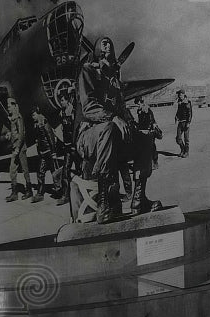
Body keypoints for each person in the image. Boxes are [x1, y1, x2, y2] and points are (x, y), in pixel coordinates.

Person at [75, 36, 159, 224]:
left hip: (112, 136)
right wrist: (113, 118)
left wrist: (134, 128)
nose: (108, 43)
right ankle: (104, 205)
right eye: (103, 42)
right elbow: (88, 107)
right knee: (109, 128)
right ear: (96, 50)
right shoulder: (88, 70)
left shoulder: (114, 78)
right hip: (89, 136)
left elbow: (122, 109)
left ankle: (139, 201)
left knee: (145, 140)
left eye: (110, 42)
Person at [4, 96, 33, 202]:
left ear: (14, 106)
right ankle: (14, 193)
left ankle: (29, 191)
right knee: (12, 170)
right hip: (15, 148)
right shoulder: (11, 118)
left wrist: (17, 149)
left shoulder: (18, 117)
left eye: (9, 106)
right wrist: (9, 134)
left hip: (20, 149)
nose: (8, 108)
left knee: (25, 169)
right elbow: (14, 132)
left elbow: (21, 134)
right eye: (7, 107)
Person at [30, 106, 61, 203]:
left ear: (38, 114)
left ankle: (59, 191)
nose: (33, 117)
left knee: (54, 172)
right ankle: (40, 194)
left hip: (49, 152)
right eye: (32, 115)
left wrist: (54, 152)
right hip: (42, 152)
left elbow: (50, 137)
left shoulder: (44, 122)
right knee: (40, 172)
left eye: (34, 115)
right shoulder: (35, 124)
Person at [135, 96, 161, 170]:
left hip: (149, 131)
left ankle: (155, 162)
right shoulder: (139, 111)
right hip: (142, 131)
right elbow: (141, 122)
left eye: (138, 104)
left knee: (152, 147)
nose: (137, 105)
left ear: (142, 103)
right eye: (137, 104)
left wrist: (148, 130)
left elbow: (151, 120)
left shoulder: (147, 110)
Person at [174, 89, 192, 158]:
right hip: (180, 122)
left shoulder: (187, 102)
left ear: (184, 94)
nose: (179, 96)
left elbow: (190, 113)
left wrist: (188, 122)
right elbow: (179, 111)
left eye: (180, 94)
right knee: (178, 138)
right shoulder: (179, 102)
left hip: (185, 122)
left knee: (186, 139)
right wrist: (176, 116)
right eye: (178, 95)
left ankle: (186, 152)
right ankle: (183, 149)